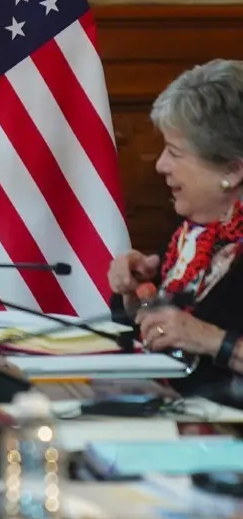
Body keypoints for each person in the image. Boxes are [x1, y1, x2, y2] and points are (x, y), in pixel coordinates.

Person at [108, 59, 243, 393]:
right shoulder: (192, 234)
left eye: (174, 153)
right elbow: (167, 337)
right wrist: (137, 295)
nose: (160, 165)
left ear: (232, 171)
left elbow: (199, 334)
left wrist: (213, 341)